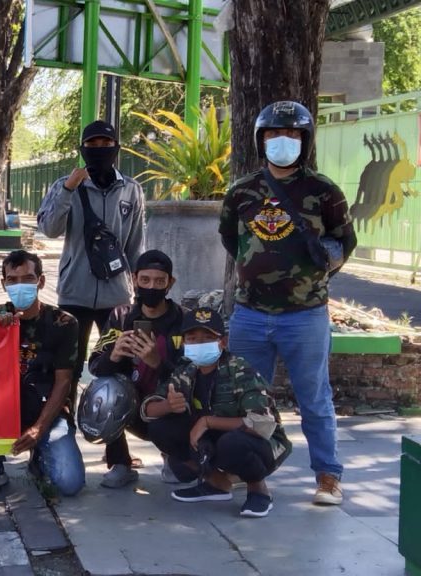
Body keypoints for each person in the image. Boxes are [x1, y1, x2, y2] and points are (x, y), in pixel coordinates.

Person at [219, 101, 357, 506]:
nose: (284, 141)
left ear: (306, 140)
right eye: (276, 134)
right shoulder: (241, 191)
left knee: (315, 398)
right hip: (249, 314)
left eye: (294, 134)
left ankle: (328, 476)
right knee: (245, 398)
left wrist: (316, 275)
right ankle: (251, 468)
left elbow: (344, 241)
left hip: (305, 316)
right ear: (261, 140)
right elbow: (231, 239)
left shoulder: (324, 190)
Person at [141, 308, 292, 518]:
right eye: (192, 339)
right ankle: (216, 484)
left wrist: (207, 422)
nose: (199, 344)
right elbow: (148, 408)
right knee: (161, 428)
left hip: (262, 443)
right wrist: (168, 405)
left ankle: (258, 490)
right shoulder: (187, 370)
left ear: (223, 342)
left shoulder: (240, 370)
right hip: (216, 439)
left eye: (208, 338)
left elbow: (261, 423)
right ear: (184, 343)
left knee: (232, 444)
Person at [36, 120, 145, 383]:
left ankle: (112, 421)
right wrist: (68, 189)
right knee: (68, 367)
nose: (99, 149)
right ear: (82, 149)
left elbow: (136, 243)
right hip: (75, 292)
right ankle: (64, 419)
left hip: (116, 296)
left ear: (116, 148)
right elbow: (49, 229)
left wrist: (138, 290)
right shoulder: (65, 185)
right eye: (92, 144)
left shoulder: (131, 189)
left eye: (106, 144)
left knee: (118, 363)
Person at [0, 250, 85, 498]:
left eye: (28, 278)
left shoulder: (64, 322)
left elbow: (64, 381)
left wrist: (39, 429)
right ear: (3, 284)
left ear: (41, 282)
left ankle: (40, 458)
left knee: (70, 483)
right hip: (3, 410)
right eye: (12, 280)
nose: (19, 285)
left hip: (47, 410)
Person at [87, 250, 187, 488]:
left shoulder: (184, 320)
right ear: (134, 279)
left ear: (170, 283)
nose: (151, 286)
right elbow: (95, 366)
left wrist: (157, 363)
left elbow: (194, 377)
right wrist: (114, 354)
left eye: (159, 281)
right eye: (145, 280)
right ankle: (120, 462)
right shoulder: (120, 316)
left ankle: (173, 455)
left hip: (167, 404)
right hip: (130, 402)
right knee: (104, 388)